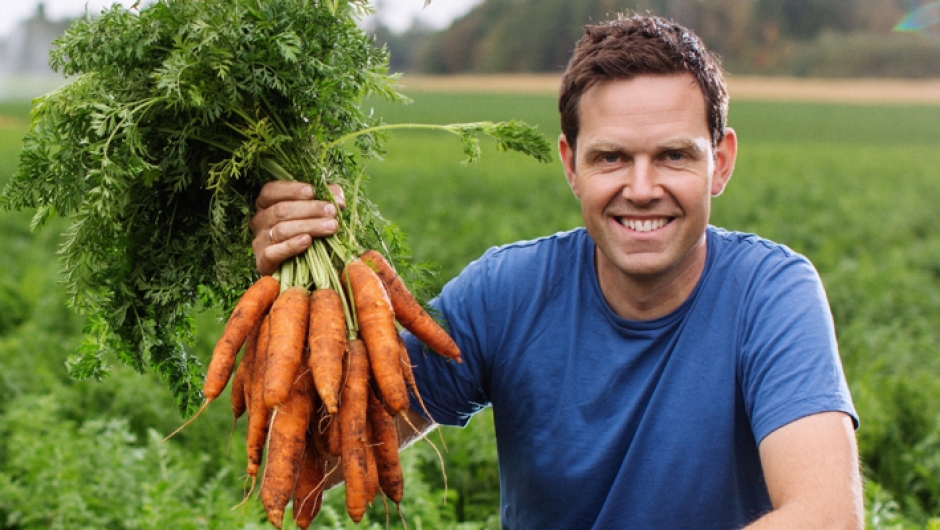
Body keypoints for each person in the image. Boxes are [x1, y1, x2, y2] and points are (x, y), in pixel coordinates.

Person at [249, 13, 862, 530]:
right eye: (611, 157)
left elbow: (827, 516)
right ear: (571, 165)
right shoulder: (507, 294)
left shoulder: (769, 293)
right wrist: (290, 300)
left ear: (720, 162)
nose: (641, 188)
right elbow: (317, 461)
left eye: (674, 155)